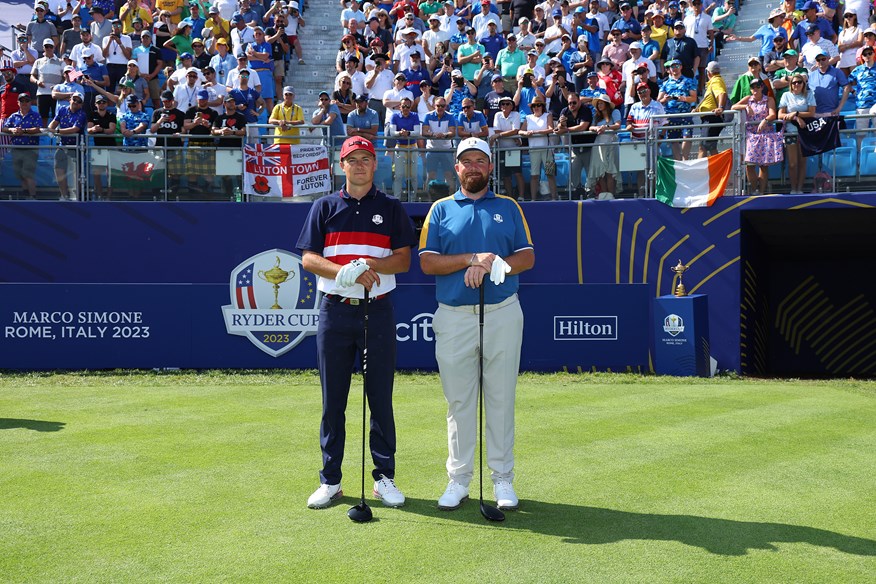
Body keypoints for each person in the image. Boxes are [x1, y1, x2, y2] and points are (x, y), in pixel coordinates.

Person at [297, 135, 416, 510]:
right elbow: (308, 259)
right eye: (353, 159)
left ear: (375, 164)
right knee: (334, 399)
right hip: (335, 310)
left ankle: (384, 478)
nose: (359, 165)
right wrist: (344, 272)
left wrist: (367, 266)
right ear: (341, 165)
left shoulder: (391, 207)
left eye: (366, 158)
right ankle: (331, 481)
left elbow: (402, 260)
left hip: (377, 310)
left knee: (380, 397)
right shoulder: (324, 206)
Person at [418, 136, 535, 513]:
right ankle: (459, 479)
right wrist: (473, 258)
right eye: (465, 161)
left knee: (501, 397)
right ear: (457, 168)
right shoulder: (439, 208)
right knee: (459, 401)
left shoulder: (509, 206)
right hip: (453, 316)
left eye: (479, 161)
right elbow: (427, 262)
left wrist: (494, 263)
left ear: (490, 167)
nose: (472, 167)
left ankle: (503, 478)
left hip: (502, 311)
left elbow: (528, 256)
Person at [732, 79, 782, 196]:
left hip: (764, 134)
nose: (755, 89)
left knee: (763, 165)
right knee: (749, 164)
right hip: (751, 136)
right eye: (753, 86)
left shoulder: (768, 99)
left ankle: (761, 191)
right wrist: (745, 106)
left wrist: (765, 121)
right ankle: (754, 189)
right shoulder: (748, 99)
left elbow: (772, 114)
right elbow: (734, 106)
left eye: (758, 86)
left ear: (762, 87)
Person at [778, 74, 816, 194]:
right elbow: (780, 115)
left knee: (802, 161)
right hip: (791, 132)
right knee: (793, 163)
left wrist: (796, 113)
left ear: (803, 84)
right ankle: (793, 188)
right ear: (791, 84)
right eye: (794, 82)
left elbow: (811, 113)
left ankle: (799, 189)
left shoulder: (809, 94)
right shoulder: (786, 95)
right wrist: (795, 117)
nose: (796, 85)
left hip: (805, 132)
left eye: (799, 82)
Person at [1, 94, 43, 199]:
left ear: (30, 103)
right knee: (19, 174)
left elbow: (38, 129)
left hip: (31, 148)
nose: (24, 103)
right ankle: (26, 196)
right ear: (18, 103)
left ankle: (33, 196)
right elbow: (4, 128)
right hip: (16, 148)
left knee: (27, 173)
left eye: (26, 101)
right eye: (22, 101)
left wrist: (23, 131)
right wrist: (12, 130)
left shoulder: (36, 115)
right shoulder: (13, 116)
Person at [47, 90, 87, 200]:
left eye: (79, 101)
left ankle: (76, 197)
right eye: (74, 99)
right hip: (62, 145)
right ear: (70, 99)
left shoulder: (82, 114)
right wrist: (50, 129)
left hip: (77, 147)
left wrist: (57, 131)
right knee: (58, 170)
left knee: (76, 174)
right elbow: (53, 123)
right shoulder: (62, 110)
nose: (76, 102)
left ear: (81, 105)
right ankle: (64, 195)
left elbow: (75, 129)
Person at [585, 94, 621, 200]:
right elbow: (590, 127)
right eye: (598, 103)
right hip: (599, 144)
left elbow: (618, 125)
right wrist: (596, 128)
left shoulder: (615, 112)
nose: (599, 105)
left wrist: (606, 127)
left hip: (611, 142)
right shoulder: (597, 116)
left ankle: (611, 195)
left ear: (606, 104)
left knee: (610, 171)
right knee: (600, 171)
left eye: (601, 103)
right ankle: (604, 195)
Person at [519, 95, 556, 200]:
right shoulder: (528, 118)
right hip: (533, 150)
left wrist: (535, 132)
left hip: (547, 149)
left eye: (539, 105)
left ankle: (554, 198)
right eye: (534, 105)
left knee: (550, 174)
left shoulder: (547, 115)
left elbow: (550, 129)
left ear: (542, 106)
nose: (536, 107)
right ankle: (533, 199)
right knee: (534, 175)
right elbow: (520, 131)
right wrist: (526, 133)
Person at [489, 95, 524, 199]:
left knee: (517, 173)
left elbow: (515, 131)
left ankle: (521, 196)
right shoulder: (497, 115)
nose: (505, 105)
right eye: (503, 104)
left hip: (514, 149)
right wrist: (511, 135)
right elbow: (497, 131)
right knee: (506, 176)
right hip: (502, 149)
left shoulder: (516, 114)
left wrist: (500, 135)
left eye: (507, 104)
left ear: (512, 106)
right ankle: (509, 197)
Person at [695, 60, 729, 158]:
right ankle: (716, 171)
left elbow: (721, 93)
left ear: (708, 72)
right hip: (709, 118)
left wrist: (720, 107)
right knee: (710, 146)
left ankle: (700, 172)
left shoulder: (716, 80)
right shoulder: (715, 80)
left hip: (711, 118)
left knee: (703, 147)